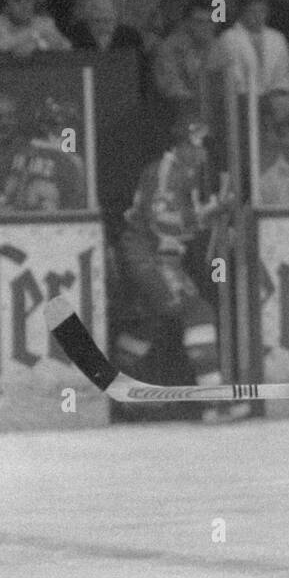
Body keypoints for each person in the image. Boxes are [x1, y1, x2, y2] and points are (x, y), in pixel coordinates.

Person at [115, 114, 245, 423]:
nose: (202, 153)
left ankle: (114, 392)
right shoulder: (166, 172)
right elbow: (163, 222)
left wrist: (209, 214)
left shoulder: (183, 172)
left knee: (149, 321)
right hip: (149, 258)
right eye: (197, 145)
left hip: (152, 257)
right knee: (197, 312)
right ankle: (216, 404)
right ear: (182, 145)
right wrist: (207, 213)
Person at [0, 97, 87, 211]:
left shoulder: (17, 151)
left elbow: (0, 198)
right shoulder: (70, 163)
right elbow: (77, 209)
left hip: (15, 222)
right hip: (48, 224)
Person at [216, 0, 289, 96]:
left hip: (275, 102)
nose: (258, 16)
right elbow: (233, 77)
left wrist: (276, 93)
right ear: (242, 12)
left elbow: (285, 75)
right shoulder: (228, 38)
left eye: (262, 11)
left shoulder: (278, 38)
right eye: (252, 11)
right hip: (241, 102)